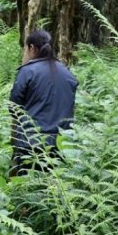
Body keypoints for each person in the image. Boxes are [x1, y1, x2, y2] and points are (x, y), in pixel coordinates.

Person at [9, 30, 78, 176]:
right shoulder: (67, 73)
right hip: (61, 143)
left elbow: (13, 107)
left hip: (30, 142)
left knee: (26, 190)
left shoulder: (27, 71)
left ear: (31, 48)